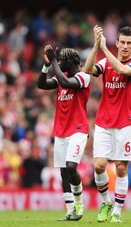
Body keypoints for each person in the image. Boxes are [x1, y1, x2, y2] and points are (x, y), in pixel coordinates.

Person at [83, 25, 131, 223]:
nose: (125, 46)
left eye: (128, 43)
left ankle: (117, 211)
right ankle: (106, 201)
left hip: (125, 124)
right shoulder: (105, 62)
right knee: (99, 165)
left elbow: (121, 69)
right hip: (103, 122)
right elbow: (87, 70)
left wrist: (105, 49)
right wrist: (95, 46)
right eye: (122, 42)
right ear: (117, 42)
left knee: (121, 168)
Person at [38, 45, 91, 221]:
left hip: (77, 130)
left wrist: (53, 61)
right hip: (60, 131)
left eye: (61, 60)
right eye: (58, 59)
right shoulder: (62, 77)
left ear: (70, 62)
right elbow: (42, 84)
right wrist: (47, 66)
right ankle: (69, 211)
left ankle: (79, 205)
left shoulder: (83, 77)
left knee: (71, 167)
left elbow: (67, 83)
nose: (59, 62)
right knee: (63, 172)